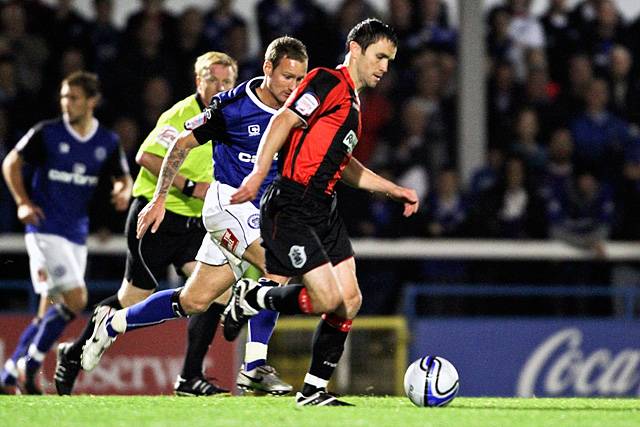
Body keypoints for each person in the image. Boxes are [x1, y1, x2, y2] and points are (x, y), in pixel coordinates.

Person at [53, 51, 291, 397]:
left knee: (209, 297)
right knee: (132, 296)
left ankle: (190, 378)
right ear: (199, 80)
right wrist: (185, 189)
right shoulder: (182, 114)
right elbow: (146, 156)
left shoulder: (237, 111)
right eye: (213, 79)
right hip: (158, 217)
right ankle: (74, 352)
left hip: (199, 220)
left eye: (226, 80)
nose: (220, 85)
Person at [224, 18, 419, 406]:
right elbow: (283, 119)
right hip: (292, 202)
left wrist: (392, 190)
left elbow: (344, 165)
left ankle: (313, 390)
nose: (384, 67)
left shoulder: (355, 105)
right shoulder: (327, 81)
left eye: (390, 60)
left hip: (323, 208)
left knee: (350, 299)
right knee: (327, 299)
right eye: (379, 56)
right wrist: (260, 171)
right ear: (355, 49)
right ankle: (252, 297)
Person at [0, 71, 132, 394]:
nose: (65, 104)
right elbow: (11, 163)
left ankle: (7, 375)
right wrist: (22, 202)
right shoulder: (47, 133)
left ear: (91, 101)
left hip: (76, 234)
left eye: (72, 98)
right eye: (63, 97)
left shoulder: (107, 142)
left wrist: (122, 190)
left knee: (48, 310)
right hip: (44, 230)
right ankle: (31, 366)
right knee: (77, 298)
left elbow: (123, 178)